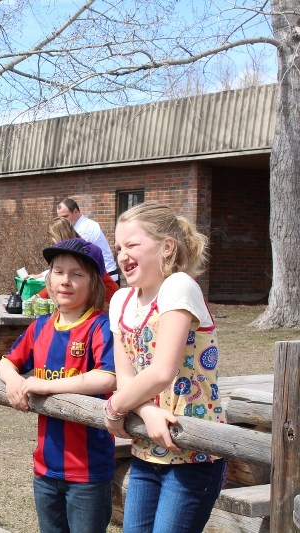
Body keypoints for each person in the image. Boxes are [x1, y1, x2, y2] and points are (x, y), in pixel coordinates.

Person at [103, 201, 226, 533]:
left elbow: (162, 371)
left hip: (193, 451)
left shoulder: (178, 287)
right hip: (146, 449)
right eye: (118, 248)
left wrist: (115, 409)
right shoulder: (120, 301)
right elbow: (125, 376)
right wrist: (145, 411)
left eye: (132, 245)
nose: (122, 254)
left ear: (166, 247)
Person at [0, 237, 116, 533]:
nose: (66, 280)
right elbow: (5, 363)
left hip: (88, 471)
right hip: (45, 468)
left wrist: (48, 386)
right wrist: (14, 381)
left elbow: (109, 377)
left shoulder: (101, 327)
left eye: (77, 274)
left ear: (94, 283)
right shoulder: (40, 327)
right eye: (58, 272)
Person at [36, 217, 119, 310]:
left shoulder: (83, 251)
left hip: (106, 297)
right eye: (59, 272)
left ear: (57, 235)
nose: (64, 281)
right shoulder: (74, 248)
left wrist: (39, 296)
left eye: (52, 237)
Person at [57, 198, 121, 282]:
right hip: (101, 275)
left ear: (75, 211)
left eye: (65, 216)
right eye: (60, 218)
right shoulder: (79, 227)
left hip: (106, 277)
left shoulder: (85, 229)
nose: (63, 221)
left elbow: (73, 258)